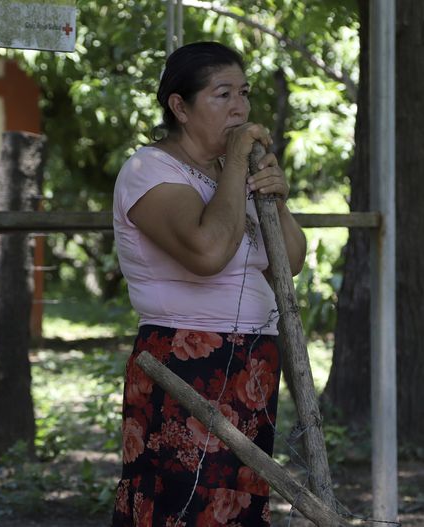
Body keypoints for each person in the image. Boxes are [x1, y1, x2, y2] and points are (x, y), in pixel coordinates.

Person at [111, 41, 306, 526]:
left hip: (252, 361)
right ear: (180, 107)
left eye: (244, 93)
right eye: (223, 94)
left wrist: (277, 200)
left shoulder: (232, 174)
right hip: (184, 362)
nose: (240, 108)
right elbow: (208, 253)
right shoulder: (149, 170)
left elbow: (290, 263)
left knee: (237, 505)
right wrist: (237, 165)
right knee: (181, 503)